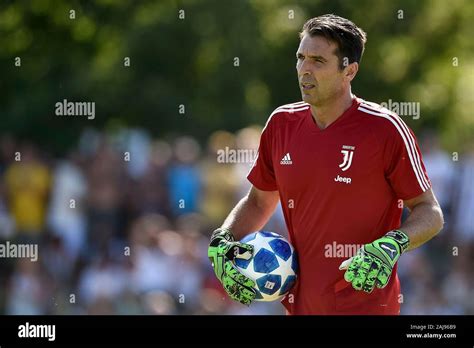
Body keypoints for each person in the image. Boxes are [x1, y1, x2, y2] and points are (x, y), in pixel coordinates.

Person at [208, 14, 444, 315]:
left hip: (367, 308)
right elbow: (258, 202)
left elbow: (430, 211)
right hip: (300, 307)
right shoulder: (281, 124)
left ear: (350, 70)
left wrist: (392, 244)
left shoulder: (385, 129)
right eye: (301, 57)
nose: (304, 69)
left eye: (318, 61)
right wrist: (223, 239)